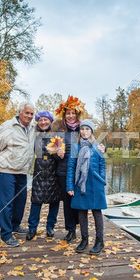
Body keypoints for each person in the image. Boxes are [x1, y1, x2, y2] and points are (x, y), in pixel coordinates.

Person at [52, 95, 105, 243]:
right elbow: (53, 150)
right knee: (68, 203)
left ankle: (83, 231)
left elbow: (95, 144)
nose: (70, 116)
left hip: (83, 173)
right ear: (64, 115)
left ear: (77, 114)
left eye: (73, 113)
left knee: (80, 203)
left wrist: (102, 149)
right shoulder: (59, 131)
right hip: (65, 171)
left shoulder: (84, 129)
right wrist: (58, 155)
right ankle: (71, 230)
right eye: (68, 113)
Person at [0, 101, 35, 247]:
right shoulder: (8, 126)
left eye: (32, 114)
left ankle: (15, 225)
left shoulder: (33, 128)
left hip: (22, 171)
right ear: (19, 113)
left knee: (20, 201)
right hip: (5, 170)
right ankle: (6, 234)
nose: (29, 116)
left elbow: (51, 126)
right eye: (26, 113)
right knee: (6, 203)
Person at [66, 119, 107, 254]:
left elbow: (102, 165)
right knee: (81, 212)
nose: (84, 132)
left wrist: (102, 181)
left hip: (95, 184)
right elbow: (71, 167)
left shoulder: (98, 147)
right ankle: (84, 239)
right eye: (82, 129)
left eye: (87, 129)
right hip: (80, 184)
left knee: (96, 212)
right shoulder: (75, 147)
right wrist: (70, 185)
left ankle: (99, 241)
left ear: (92, 131)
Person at [26, 111, 60, 240]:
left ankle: (50, 227)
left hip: (53, 172)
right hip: (39, 172)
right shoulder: (33, 135)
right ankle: (32, 228)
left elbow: (59, 155)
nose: (43, 122)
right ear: (37, 122)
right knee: (36, 201)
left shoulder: (56, 136)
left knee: (54, 201)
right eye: (40, 120)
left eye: (46, 120)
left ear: (50, 121)